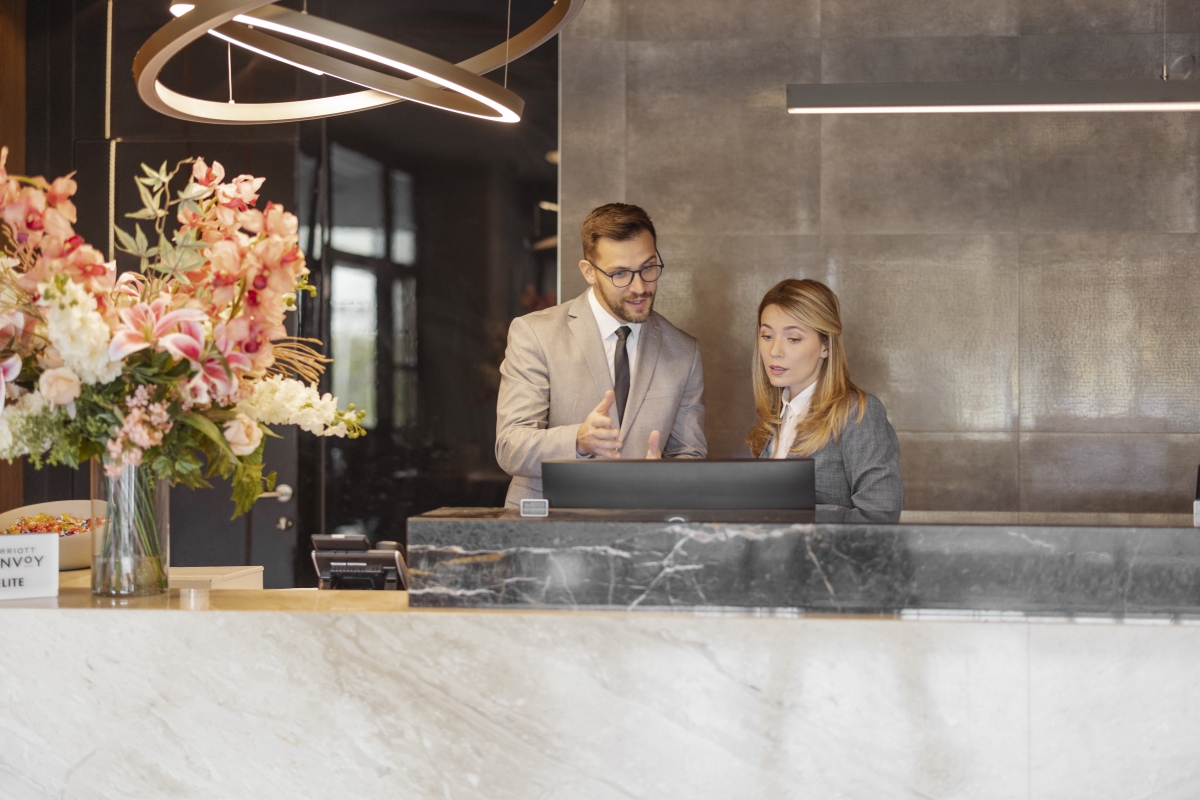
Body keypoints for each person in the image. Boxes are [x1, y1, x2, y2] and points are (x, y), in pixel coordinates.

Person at [495, 203, 706, 506]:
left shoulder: (684, 351)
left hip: (644, 528)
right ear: (589, 272)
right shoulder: (535, 334)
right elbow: (510, 446)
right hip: (549, 525)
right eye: (620, 273)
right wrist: (578, 441)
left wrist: (667, 477)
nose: (639, 287)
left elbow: (691, 454)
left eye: (648, 268)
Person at [747, 278, 903, 515]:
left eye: (793, 339)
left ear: (826, 346)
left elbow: (879, 516)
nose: (774, 352)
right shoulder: (774, 417)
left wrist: (785, 519)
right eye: (767, 336)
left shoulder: (858, 413)